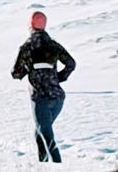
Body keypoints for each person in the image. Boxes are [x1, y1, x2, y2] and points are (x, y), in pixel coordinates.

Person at [11, 11, 76, 163]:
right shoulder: (53, 45)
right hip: (58, 97)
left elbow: (16, 72)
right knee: (40, 132)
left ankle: (58, 168)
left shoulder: (27, 47)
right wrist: (58, 78)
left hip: (40, 98)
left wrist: (28, 70)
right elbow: (71, 64)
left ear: (30, 26)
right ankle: (44, 167)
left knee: (46, 134)